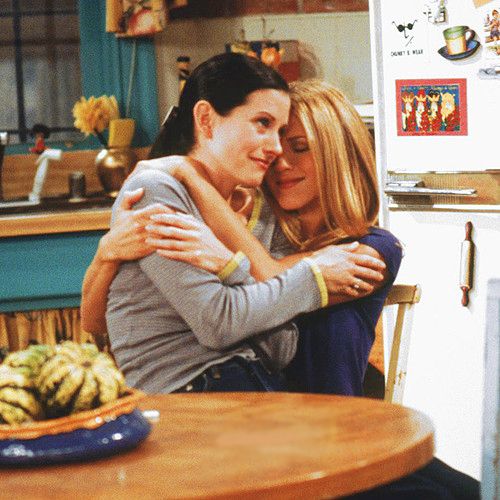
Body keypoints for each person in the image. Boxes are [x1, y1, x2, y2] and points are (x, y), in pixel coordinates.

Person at [81, 53, 386, 395]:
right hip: (189, 394)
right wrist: (310, 282)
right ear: (206, 119)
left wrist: (232, 269)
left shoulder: (267, 214)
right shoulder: (156, 189)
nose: (275, 149)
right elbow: (218, 324)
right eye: (262, 123)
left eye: (284, 133)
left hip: (251, 383)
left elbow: (281, 347)